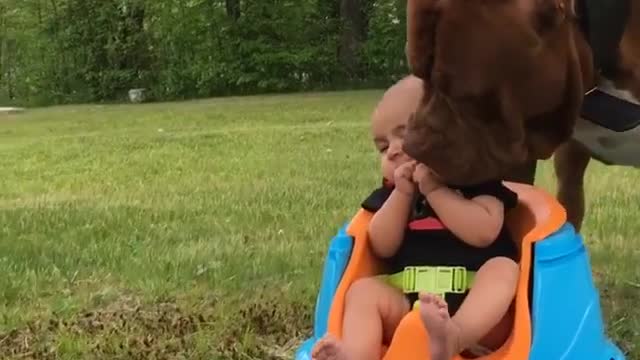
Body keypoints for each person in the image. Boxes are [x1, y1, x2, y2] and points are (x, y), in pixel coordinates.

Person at [311, 75, 521, 360]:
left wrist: (435, 190)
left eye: (405, 134)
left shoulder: (474, 179)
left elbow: (485, 231)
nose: (394, 150)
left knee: (503, 269)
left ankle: (454, 337)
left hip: (476, 313)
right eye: (384, 147)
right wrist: (402, 195)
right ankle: (357, 354)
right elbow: (382, 246)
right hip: (409, 304)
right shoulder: (393, 195)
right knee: (363, 291)